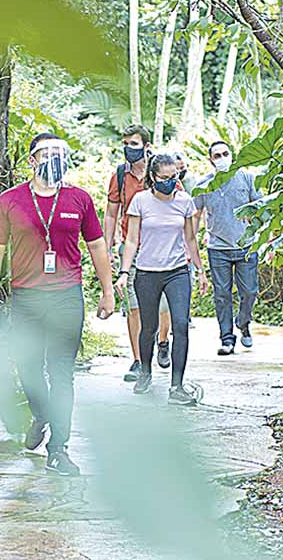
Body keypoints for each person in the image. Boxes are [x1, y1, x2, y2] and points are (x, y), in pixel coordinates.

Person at [0, 133, 115, 476]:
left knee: (62, 374)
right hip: (26, 297)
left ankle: (59, 449)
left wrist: (107, 290)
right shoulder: (10, 200)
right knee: (27, 367)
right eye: (47, 153)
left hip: (66, 297)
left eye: (60, 153)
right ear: (32, 160)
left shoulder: (79, 199)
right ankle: (41, 413)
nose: (54, 158)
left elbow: (98, 247)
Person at [115, 151, 208, 405]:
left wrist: (200, 270)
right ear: (153, 177)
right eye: (164, 177)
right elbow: (132, 240)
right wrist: (124, 273)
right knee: (149, 328)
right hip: (146, 272)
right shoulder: (140, 201)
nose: (169, 181)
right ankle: (145, 371)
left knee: (180, 325)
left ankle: (176, 386)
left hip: (177, 271)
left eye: (173, 176)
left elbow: (190, 239)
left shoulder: (185, 202)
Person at [104, 124, 173, 381]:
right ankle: (137, 360)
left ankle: (162, 341)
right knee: (134, 307)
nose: (127, 148)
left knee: (163, 307)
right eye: (125, 143)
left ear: (146, 146)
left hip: (161, 249)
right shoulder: (120, 175)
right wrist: (109, 246)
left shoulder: (160, 171)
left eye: (133, 143)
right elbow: (112, 213)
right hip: (130, 249)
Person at [193, 141, 263, 356]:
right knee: (222, 294)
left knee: (250, 292)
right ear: (210, 160)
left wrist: (266, 239)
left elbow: (261, 209)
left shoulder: (247, 178)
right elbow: (195, 214)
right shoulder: (204, 185)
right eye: (217, 155)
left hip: (246, 246)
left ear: (232, 154)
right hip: (217, 248)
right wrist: (190, 242)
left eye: (225, 153)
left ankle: (243, 323)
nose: (222, 158)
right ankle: (227, 339)